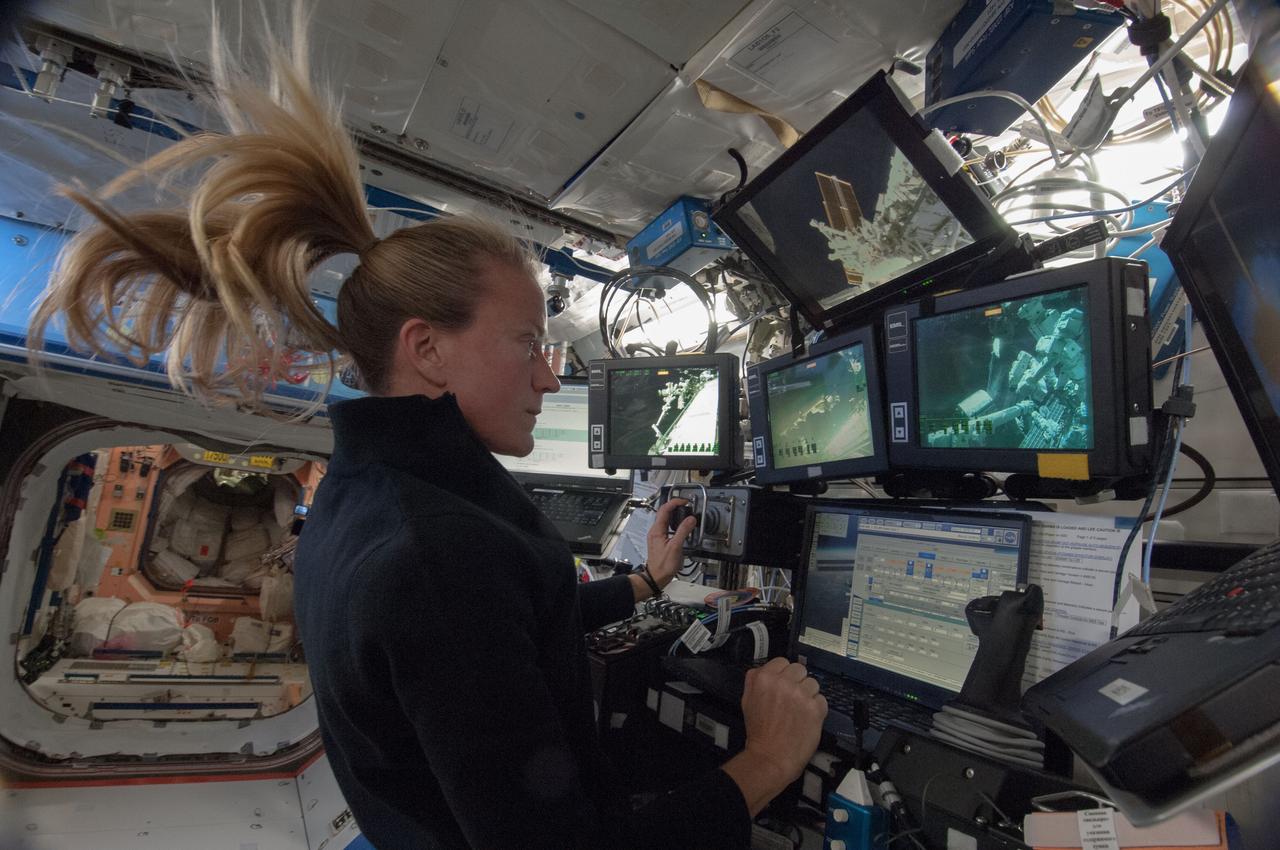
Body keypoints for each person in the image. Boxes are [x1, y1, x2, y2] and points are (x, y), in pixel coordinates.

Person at [28, 17, 827, 850]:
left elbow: (508, 627)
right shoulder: (435, 550)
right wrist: (770, 758)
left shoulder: (369, 499)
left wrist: (642, 586)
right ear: (428, 349)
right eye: (530, 345)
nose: (552, 378)